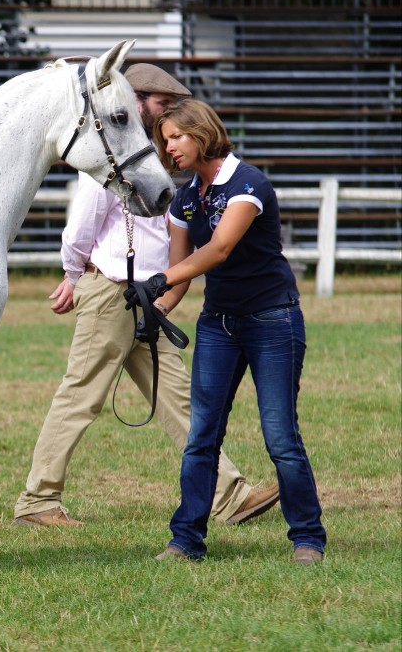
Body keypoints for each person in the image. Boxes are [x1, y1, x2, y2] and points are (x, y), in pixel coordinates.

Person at [13, 65, 280, 529]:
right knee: (81, 396)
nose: (168, 112)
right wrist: (74, 275)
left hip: (146, 296)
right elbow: (82, 222)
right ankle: (38, 500)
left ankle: (229, 496)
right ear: (136, 100)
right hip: (113, 288)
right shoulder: (111, 156)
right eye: (161, 103)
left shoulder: (152, 156)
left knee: (178, 398)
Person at [133, 98, 326, 565]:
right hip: (218, 324)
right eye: (164, 141)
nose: (169, 148)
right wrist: (151, 305)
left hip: (272, 320)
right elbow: (180, 275)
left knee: (280, 436)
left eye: (176, 136)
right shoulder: (184, 199)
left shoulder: (248, 183)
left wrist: (163, 280)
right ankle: (186, 540)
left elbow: (218, 250)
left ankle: (308, 537)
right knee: (202, 436)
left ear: (201, 131)